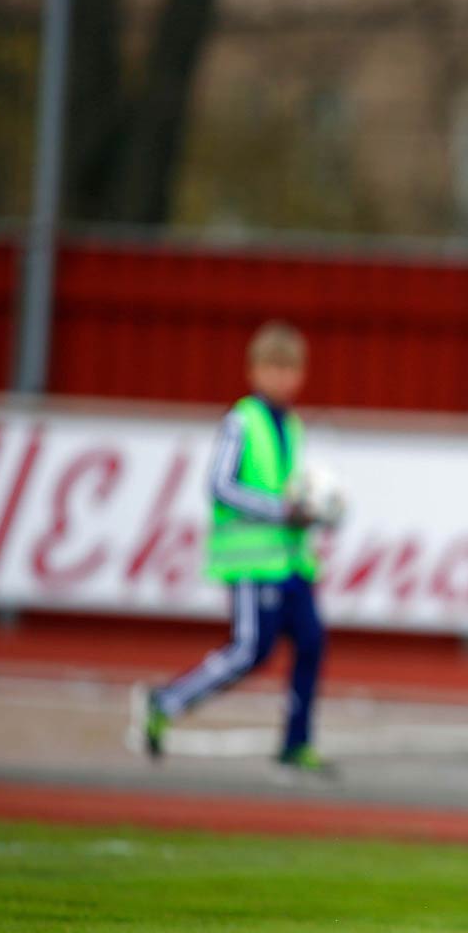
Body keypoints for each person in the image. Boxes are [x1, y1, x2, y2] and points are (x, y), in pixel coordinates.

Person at [132, 321, 329, 774]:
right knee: (249, 651)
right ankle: (166, 701)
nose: (282, 378)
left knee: (313, 641)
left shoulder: (293, 425)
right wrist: (280, 510)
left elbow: (289, 489)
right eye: (273, 368)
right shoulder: (241, 421)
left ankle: (297, 743)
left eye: (290, 369)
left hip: (293, 561)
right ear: (253, 371)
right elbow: (219, 485)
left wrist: (313, 508)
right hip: (252, 561)